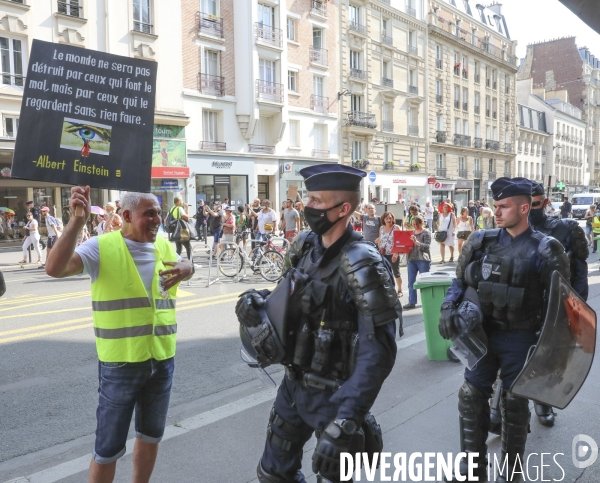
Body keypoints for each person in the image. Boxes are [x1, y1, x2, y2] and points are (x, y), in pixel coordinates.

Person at [235, 164, 401, 482]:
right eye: (308, 199)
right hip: (294, 385)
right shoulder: (304, 247)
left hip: (337, 397)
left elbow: (378, 354)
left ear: (344, 208)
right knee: (272, 474)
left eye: (317, 201)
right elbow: (287, 297)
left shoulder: (363, 263)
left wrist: (348, 420)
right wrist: (256, 301)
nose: (308, 207)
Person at [45, 188, 193, 483]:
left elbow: (182, 266)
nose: (157, 219)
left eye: (158, 212)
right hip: (120, 365)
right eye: (149, 213)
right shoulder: (102, 247)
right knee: (108, 449)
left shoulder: (163, 246)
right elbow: (54, 268)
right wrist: (77, 222)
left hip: (162, 359)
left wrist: (190, 267)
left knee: (151, 436)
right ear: (126, 216)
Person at [438, 177, 570, 482]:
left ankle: (511, 473)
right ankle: (472, 469)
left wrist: (547, 351)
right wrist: (447, 307)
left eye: (504, 206)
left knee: (513, 401)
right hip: (481, 334)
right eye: (495, 205)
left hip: (522, 338)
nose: (496, 211)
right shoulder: (480, 241)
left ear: (524, 208)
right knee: (471, 394)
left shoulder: (547, 249)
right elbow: (459, 282)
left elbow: (560, 308)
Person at [525, 181, 589, 428]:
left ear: (546, 201)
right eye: (526, 204)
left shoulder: (566, 229)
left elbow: (580, 269)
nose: (531, 209)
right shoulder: (511, 229)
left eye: (536, 203)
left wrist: (577, 306)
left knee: (551, 355)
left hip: (556, 303)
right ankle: (504, 407)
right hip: (523, 303)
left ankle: (543, 400)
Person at [404, 215, 431, 310]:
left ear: (421, 223)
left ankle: (427, 300)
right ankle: (412, 302)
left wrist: (416, 242)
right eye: (413, 224)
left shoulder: (426, 232)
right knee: (411, 281)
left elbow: (427, 246)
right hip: (411, 259)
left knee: (424, 282)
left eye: (417, 224)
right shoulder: (411, 232)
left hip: (422, 259)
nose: (415, 226)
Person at [377, 211, 403, 296]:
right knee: (386, 272)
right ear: (383, 219)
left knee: (396, 272)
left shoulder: (396, 227)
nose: (389, 220)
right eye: (387, 218)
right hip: (383, 254)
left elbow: (400, 242)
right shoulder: (381, 228)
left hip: (393, 253)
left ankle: (399, 290)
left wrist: (396, 253)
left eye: (390, 218)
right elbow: (380, 241)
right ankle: (390, 290)